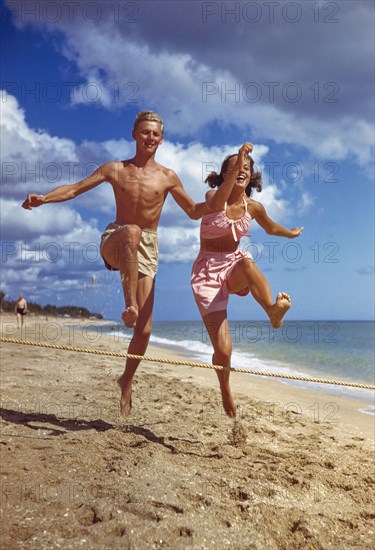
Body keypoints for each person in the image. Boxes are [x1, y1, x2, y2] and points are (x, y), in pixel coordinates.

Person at [22, 110, 205, 416]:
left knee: (144, 332)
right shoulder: (115, 169)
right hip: (116, 238)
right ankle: (130, 306)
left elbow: (195, 210)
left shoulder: (168, 177)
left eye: (156, 134)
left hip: (148, 246)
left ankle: (126, 380)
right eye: (145, 132)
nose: (150, 138)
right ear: (135, 134)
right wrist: (44, 198)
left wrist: (223, 197)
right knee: (131, 231)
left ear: (162, 138)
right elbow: (75, 189)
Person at [191, 143, 303, 418]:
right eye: (233, 168)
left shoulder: (253, 207)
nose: (240, 171)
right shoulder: (212, 197)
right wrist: (240, 157)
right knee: (224, 350)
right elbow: (222, 193)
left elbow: (270, 226)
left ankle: (273, 312)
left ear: (251, 176)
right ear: (224, 174)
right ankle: (225, 389)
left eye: (245, 168)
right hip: (207, 273)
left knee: (247, 261)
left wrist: (289, 234)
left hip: (233, 264)